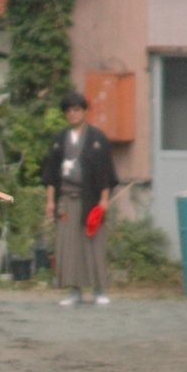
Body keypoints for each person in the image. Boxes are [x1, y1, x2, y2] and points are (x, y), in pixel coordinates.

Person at [40, 90, 119, 307]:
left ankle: (99, 290)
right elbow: (51, 173)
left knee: (93, 242)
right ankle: (75, 291)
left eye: (77, 109)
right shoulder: (60, 139)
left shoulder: (97, 138)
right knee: (68, 244)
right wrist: (50, 201)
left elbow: (105, 172)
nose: (73, 114)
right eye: (69, 110)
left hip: (91, 197)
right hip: (66, 198)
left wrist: (104, 200)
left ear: (84, 111)